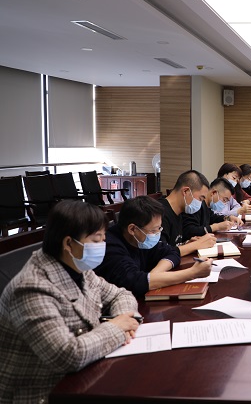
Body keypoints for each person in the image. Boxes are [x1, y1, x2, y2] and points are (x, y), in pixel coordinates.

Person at [0, 201, 140, 403]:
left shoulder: (78, 268)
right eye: (96, 240)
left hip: (84, 376)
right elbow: (67, 356)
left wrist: (123, 319)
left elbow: (121, 295)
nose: (102, 245)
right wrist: (117, 328)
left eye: (103, 239)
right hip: (42, 393)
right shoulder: (30, 288)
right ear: (68, 244)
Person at [96, 196, 213, 297]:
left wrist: (156, 274)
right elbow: (134, 282)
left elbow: (172, 252)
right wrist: (192, 273)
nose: (157, 234)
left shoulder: (141, 239)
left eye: (159, 228)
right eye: (153, 230)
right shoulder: (110, 246)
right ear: (132, 229)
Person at [158, 170, 217, 256]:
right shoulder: (159, 213)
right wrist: (196, 245)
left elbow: (173, 245)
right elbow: (161, 253)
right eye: (200, 199)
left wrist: (186, 244)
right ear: (185, 191)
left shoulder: (179, 212)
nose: (200, 203)